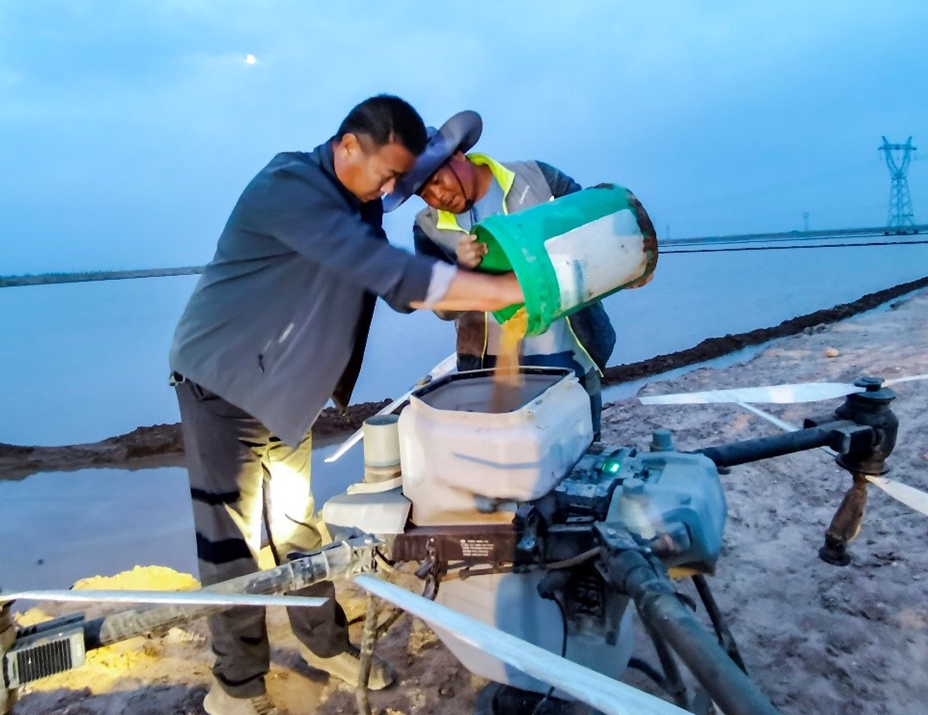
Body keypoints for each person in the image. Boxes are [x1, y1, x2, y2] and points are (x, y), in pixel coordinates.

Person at [168, 95, 524, 715]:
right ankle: (236, 686)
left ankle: (323, 641)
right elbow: (383, 272)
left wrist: (452, 263)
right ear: (347, 146)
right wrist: (499, 292)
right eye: (388, 175)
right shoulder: (290, 189)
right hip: (223, 386)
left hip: (285, 392)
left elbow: (388, 287)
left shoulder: (356, 205)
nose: (392, 190)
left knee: (297, 527)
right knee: (232, 544)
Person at [383, 111, 616, 438]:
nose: (437, 197)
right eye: (424, 193)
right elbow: (440, 307)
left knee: (583, 453)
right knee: (509, 464)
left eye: (436, 181)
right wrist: (461, 272)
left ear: (458, 154)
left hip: (569, 354)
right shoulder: (427, 226)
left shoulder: (537, 177)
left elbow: (594, 229)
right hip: (490, 371)